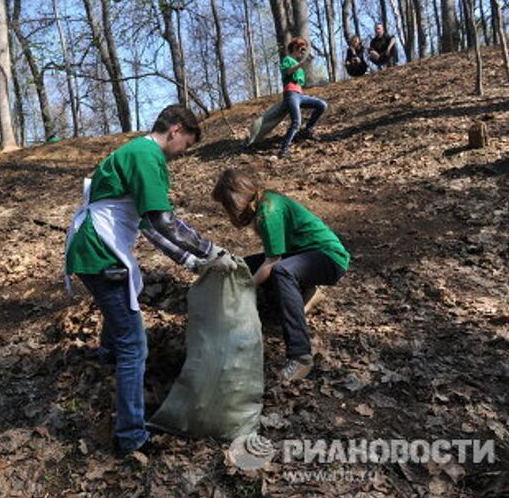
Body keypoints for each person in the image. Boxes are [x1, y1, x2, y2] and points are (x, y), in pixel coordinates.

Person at [65, 105, 235, 456]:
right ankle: (131, 436)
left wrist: (190, 260)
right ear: (175, 130)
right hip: (100, 252)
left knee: (122, 307)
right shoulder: (147, 156)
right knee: (135, 345)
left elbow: (148, 226)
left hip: (91, 248)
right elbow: (163, 221)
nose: (183, 154)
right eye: (185, 144)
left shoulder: (137, 152)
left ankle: (108, 359)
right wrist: (211, 251)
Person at [211, 169, 350, 384]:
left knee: (280, 272)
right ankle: (305, 294)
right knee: (245, 266)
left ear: (236, 200)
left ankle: (300, 356)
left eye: (226, 206)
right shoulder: (264, 205)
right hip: (304, 255)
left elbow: (273, 261)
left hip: (330, 258)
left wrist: (245, 289)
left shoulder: (269, 211)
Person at [279, 37, 328, 159]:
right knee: (296, 122)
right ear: (295, 48)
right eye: (302, 49)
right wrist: (301, 63)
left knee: (322, 104)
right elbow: (288, 72)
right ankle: (284, 149)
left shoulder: (299, 67)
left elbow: (300, 82)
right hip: (290, 94)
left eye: (304, 50)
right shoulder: (287, 60)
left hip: (300, 95)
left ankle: (308, 129)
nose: (303, 52)